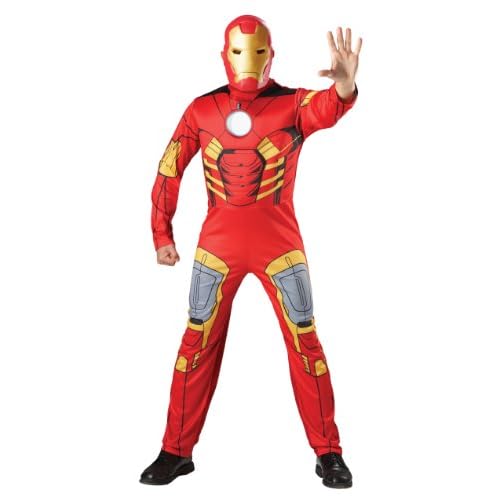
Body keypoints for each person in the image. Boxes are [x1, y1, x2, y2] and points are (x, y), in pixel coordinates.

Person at [140, 14, 362, 489]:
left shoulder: (292, 104)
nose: (249, 61)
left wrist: (344, 86)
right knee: (195, 344)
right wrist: (161, 234)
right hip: (217, 247)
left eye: (258, 51)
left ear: (271, 55)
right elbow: (170, 167)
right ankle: (175, 450)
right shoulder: (201, 110)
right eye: (240, 51)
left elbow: (328, 108)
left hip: (279, 246)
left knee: (305, 342)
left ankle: (328, 452)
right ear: (224, 56)